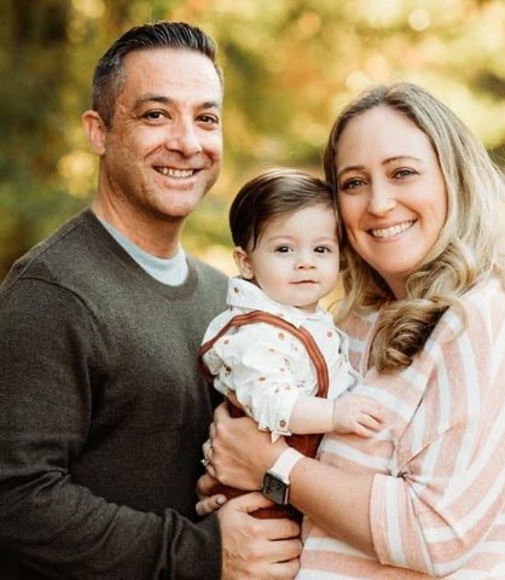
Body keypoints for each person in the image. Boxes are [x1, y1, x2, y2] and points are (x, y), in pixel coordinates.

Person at [198, 82, 505, 578]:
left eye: (402, 173)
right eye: (354, 183)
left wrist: (271, 467)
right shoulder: (352, 321)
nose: (379, 203)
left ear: (454, 178)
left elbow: (436, 535)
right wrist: (237, 487)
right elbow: (307, 478)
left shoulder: (493, 321)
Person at [0, 21, 301, 579]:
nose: (187, 142)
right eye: (156, 115)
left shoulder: (228, 299)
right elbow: (16, 499)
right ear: (99, 131)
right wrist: (202, 553)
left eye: (206, 118)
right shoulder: (53, 294)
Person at [198, 168, 384, 520]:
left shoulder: (310, 318)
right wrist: (335, 414)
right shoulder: (258, 334)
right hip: (258, 493)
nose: (305, 262)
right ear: (246, 262)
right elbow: (274, 404)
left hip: (296, 479)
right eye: (284, 249)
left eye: (321, 249)